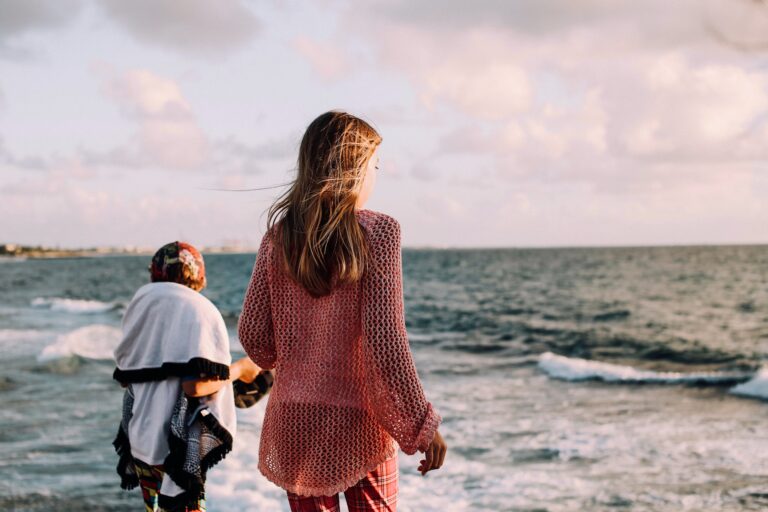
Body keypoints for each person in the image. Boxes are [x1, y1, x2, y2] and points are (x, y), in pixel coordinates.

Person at [238, 111, 447, 512]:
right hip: (360, 423)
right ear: (353, 170)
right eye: (374, 165)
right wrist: (423, 425)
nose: (376, 175)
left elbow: (256, 341)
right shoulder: (378, 233)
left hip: (294, 420)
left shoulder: (278, 238)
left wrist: (299, 346)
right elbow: (387, 345)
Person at [113, 241, 260, 512]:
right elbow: (196, 387)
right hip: (175, 449)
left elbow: (127, 377)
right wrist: (241, 369)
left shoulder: (140, 307)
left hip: (141, 439)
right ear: (199, 276)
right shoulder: (199, 310)